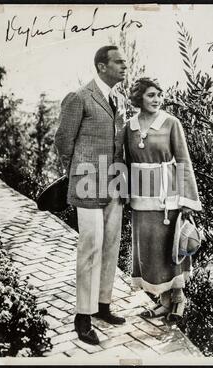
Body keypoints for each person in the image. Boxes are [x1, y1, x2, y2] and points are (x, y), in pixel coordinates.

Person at [55, 46, 127, 345]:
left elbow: (120, 140)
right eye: (118, 62)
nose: (124, 65)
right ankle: (82, 317)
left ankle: (102, 305)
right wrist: (78, 173)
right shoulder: (79, 97)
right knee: (91, 247)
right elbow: (62, 141)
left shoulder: (120, 99)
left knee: (111, 243)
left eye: (124, 61)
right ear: (101, 66)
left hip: (114, 183)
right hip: (87, 183)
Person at [123, 77, 202, 320]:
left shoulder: (171, 123)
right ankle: (163, 302)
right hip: (141, 199)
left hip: (169, 200)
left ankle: (178, 301)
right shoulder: (129, 126)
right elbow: (125, 163)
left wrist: (187, 201)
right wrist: (124, 195)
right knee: (151, 252)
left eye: (159, 94)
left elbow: (183, 161)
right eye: (150, 95)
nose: (157, 99)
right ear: (139, 98)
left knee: (172, 249)